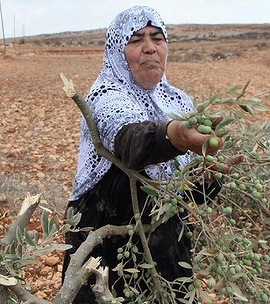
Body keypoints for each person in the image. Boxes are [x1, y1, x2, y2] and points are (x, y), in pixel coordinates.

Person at [62, 6, 226, 303]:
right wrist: (173, 135)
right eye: (136, 40)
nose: (150, 48)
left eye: (157, 38)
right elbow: (130, 141)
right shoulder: (106, 96)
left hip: (164, 249)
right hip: (107, 248)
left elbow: (184, 193)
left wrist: (210, 177)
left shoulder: (177, 101)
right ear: (117, 51)